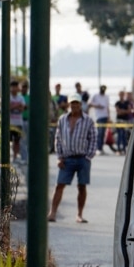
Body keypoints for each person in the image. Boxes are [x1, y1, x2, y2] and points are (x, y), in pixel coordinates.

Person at [49, 93, 96, 223]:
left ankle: (79, 215)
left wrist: (88, 156)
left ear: (81, 105)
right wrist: (59, 157)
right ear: (69, 104)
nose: (74, 106)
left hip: (82, 158)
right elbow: (58, 139)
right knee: (59, 185)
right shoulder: (62, 119)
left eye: (77, 103)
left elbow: (93, 139)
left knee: (82, 186)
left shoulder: (88, 120)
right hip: (67, 158)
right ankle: (52, 213)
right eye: (72, 103)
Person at [87, 86, 111, 154]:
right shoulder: (95, 95)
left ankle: (101, 148)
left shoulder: (106, 96)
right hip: (98, 116)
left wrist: (109, 117)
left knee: (103, 134)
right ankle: (98, 148)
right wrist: (98, 106)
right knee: (99, 133)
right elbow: (89, 103)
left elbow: (107, 107)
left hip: (105, 116)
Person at [8, 80, 25, 161]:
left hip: (19, 123)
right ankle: (8, 157)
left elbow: (22, 109)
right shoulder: (8, 97)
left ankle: (15, 157)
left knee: (17, 141)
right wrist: (17, 105)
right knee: (8, 140)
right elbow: (8, 108)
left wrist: (13, 106)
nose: (14, 88)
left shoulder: (21, 97)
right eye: (13, 87)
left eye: (16, 86)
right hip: (10, 123)